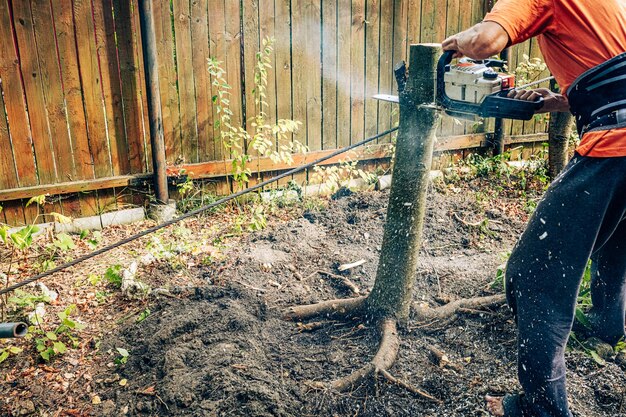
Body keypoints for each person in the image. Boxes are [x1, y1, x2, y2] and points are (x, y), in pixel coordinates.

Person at [442, 1, 626, 416]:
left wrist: (456, 44)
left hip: (615, 146)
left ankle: (538, 409)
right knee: (614, 237)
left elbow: (486, 42)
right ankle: (607, 325)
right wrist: (557, 101)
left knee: (533, 276)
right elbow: (616, 76)